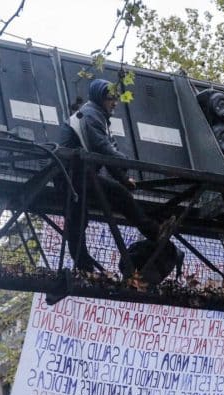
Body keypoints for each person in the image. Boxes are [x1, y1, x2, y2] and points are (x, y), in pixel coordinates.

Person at [56, 79, 163, 272]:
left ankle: (84, 266)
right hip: (72, 174)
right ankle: (154, 231)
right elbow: (105, 150)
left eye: (115, 98)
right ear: (100, 98)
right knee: (116, 197)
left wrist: (123, 177)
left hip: (75, 174)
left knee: (79, 218)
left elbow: (107, 152)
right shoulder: (91, 116)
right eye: (110, 98)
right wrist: (124, 172)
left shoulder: (98, 117)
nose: (114, 103)